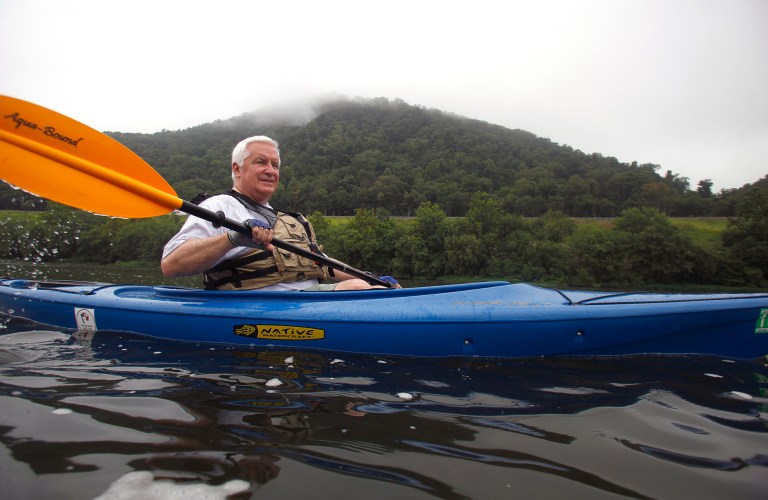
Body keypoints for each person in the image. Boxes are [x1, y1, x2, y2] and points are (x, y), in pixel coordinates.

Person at [161, 135, 397, 291]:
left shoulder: (289, 220)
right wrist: (231, 239)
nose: (270, 170)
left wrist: (369, 277)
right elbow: (171, 264)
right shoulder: (218, 206)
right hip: (258, 309)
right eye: (261, 162)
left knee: (367, 287)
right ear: (237, 169)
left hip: (309, 301)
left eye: (275, 165)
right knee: (358, 290)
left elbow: (320, 264)